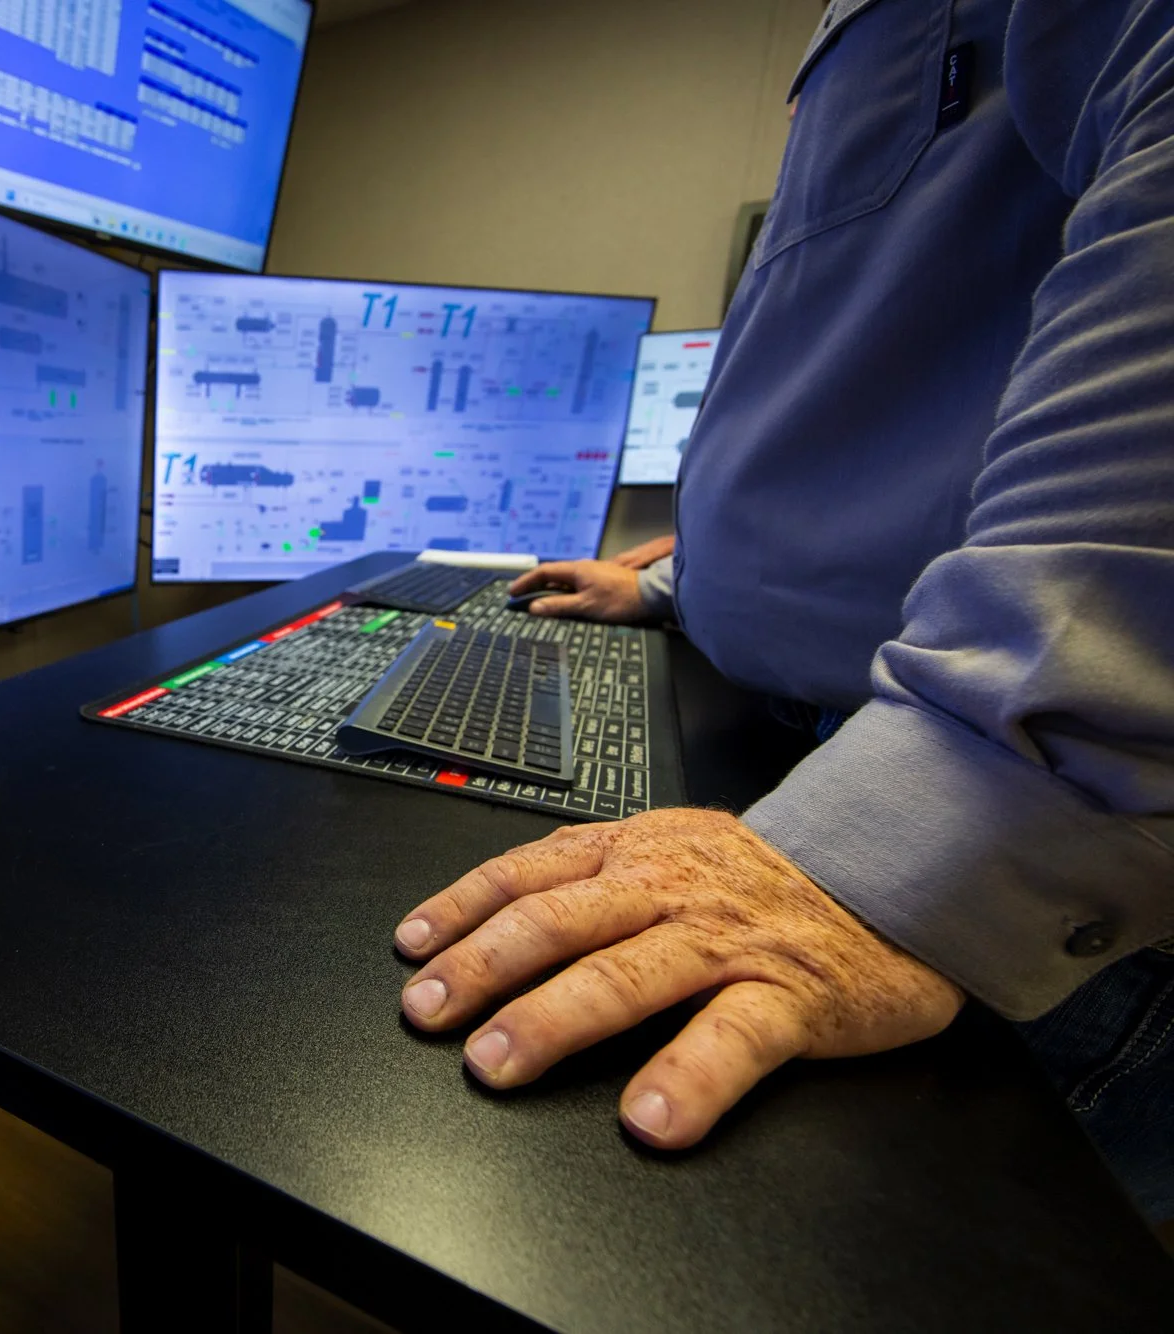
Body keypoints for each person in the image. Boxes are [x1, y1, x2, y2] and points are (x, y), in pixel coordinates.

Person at [391, 0, 1174, 1226]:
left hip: (997, 862)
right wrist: (671, 579)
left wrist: (967, 806)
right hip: (818, 752)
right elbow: (873, 400)